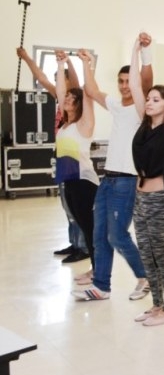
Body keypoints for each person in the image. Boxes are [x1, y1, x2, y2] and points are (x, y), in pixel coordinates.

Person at [73, 34, 151, 301]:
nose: (124, 85)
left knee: (117, 236)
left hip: (127, 181)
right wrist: (86, 62)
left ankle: (145, 276)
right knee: (99, 235)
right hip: (107, 179)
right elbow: (92, 90)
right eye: (121, 81)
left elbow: (144, 81)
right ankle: (101, 286)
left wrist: (141, 51)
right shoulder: (116, 105)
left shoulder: (141, 108)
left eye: (129, 81)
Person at [17, 47, 89, 264]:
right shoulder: (60, 99)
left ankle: (83, 247)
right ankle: (74, 242)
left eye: (60, 77)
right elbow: (41, 77)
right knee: (66, 204)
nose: (57, 81)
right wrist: (26, 57)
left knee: (75, 204)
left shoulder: (76, 99)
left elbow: (75, 80)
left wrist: (68, 62)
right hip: (62, 155)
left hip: (75, 158)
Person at [127, 36, 164, 325]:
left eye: (155, 99)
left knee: (162, 254)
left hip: (160, 198)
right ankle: (156, 304)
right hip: (140, 197)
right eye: (149, 99)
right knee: (146, 254)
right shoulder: (144, 123)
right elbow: (136, 85)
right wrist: (136, 50)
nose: (148, 102)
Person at [53, 50, 99, 276]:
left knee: (90, 228)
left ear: (80, 104)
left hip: (84, 182)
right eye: (67, 98)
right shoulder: (65, 125)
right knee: (83, 224)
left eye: (73, 98)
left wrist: (83, 64)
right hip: (70, 182)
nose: (67, 99)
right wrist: (61, 64)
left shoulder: (84, 124)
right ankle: (96, 269)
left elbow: (85, 94)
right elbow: (61, 92)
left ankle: (99, 272)